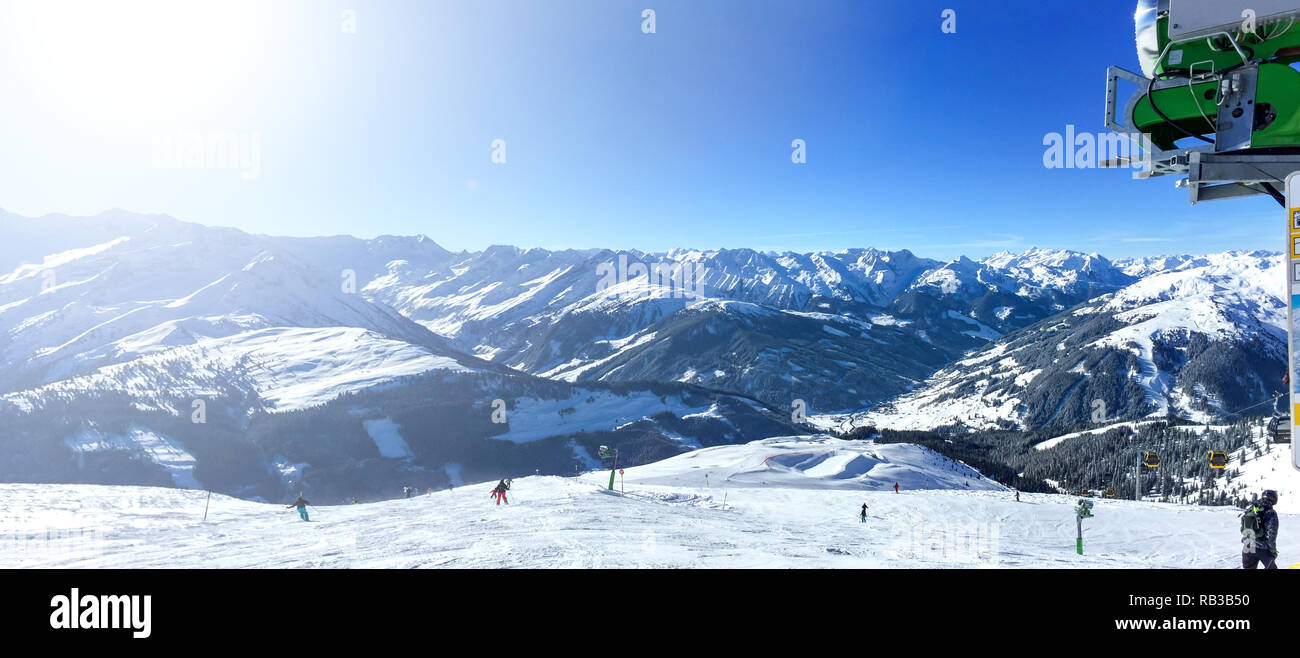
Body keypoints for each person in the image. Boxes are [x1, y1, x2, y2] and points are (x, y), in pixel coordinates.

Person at [1242, 490, 1280, 569]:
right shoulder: (1271, 512)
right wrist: (1273, 551)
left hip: (1247, 546)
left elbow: (1243, 527)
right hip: (1262, 548)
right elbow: (1271, 534)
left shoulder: (1252, 509)